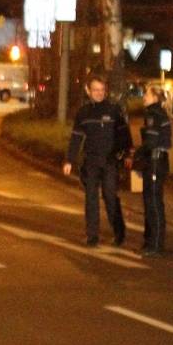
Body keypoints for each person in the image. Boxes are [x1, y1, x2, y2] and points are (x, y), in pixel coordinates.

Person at [62, 76, 131, 247]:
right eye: (95, 90)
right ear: (88, 91)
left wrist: (128, 154)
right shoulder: (83, 113)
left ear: (105, 90)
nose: (99, 93)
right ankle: (92, 236)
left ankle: (119, 231)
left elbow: (124, 134)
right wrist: (69, 160)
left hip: (109, 161)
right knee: (91, 199)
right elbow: (76, 138)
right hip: (91, 162)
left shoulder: (114, 110)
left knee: (110, 197)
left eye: (102, 89)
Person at [135, 83, 171, 256]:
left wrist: (137, 155)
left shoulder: (153, 114)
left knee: (153, 203)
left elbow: (150, 141)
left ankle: (155, 245)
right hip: (157, 161)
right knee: (151, 201)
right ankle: (151, 242)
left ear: (155, 97)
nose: (144, 97)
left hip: (155, 161)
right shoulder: (158, 113)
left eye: (146, 94)